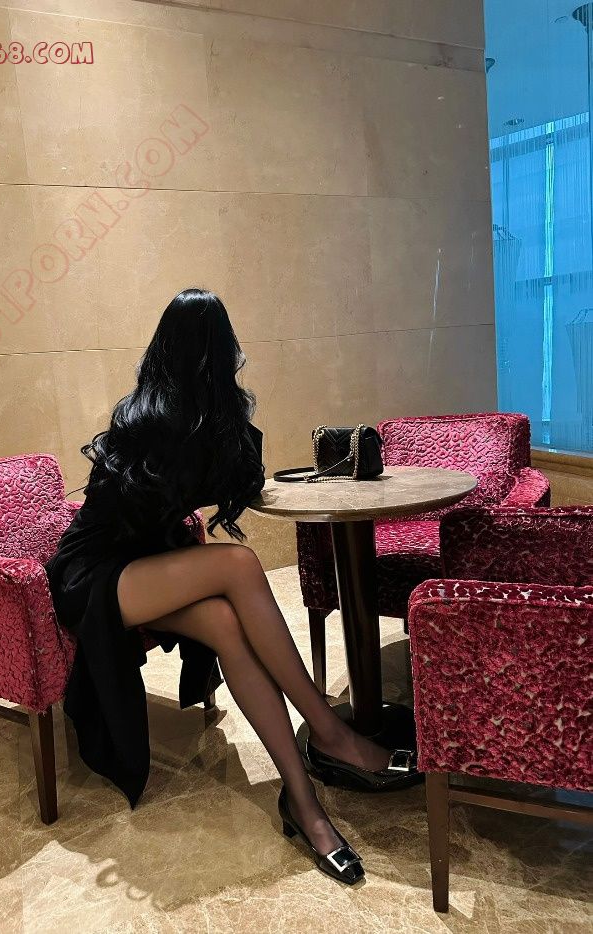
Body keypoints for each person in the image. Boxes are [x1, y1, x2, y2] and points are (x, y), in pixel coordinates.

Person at [44, 288, 419, 886]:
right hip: (93, 576)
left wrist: (230, 421)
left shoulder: (209, 421)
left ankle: (302, 800)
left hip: (149, 569)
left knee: (224, 623)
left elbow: (242, 481)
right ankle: (330, 733)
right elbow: (127, 521)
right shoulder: (143, 421)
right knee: (239, 566)